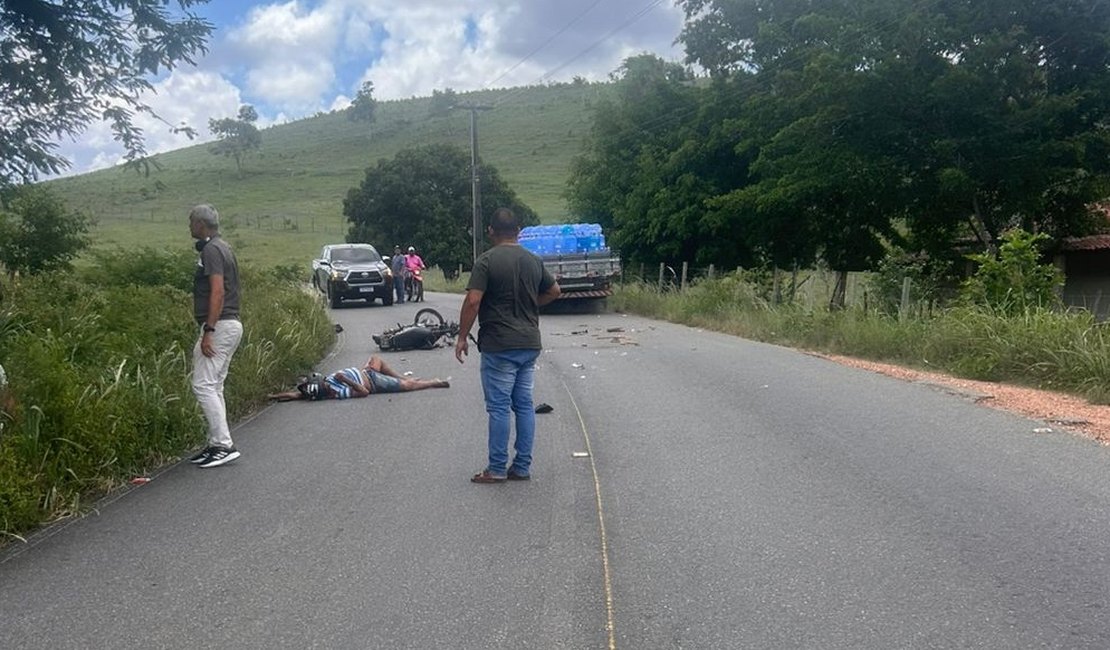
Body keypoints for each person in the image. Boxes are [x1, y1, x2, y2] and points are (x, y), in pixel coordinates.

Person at [455, 207, 561, 483]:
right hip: (529, 343)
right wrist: (530, 304)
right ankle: (522, 467)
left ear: (490, 231)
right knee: (524, 404)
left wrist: (462, 336)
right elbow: (554, 291)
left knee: (499, 407)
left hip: (499, 345)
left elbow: (474, 300)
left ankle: (498, 468)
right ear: (519, 231)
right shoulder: (533, 260)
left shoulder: (486, 261)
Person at [187, 204, 244, 468]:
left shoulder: (211, 250)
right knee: (215, 385)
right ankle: (216, 443)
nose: (189, 226)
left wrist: (208, 330)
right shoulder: (222, 246)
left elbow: (217, 291)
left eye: (191, 222)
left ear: (201, 224)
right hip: (229, 324)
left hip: (219, 325)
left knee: (202, 385)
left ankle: (223, 444)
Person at [267, 355, 449, 401]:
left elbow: (295, 395)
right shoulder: (338, 393)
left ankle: (403, 378)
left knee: (377, 359)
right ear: (326, 392)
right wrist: (346, 380)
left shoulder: (321, 385)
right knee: (408, 386)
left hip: (367, 371)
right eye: (327, 387)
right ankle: (432, 383)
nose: (328, 385)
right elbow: (364, 392)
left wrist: (272, 396)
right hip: (373, 382)